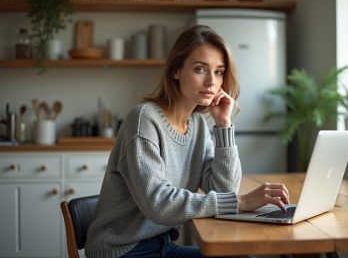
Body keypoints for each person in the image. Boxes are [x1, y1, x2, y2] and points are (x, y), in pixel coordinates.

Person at [84, 25, 290, 258]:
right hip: (122, 250)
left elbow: (224, 189)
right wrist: (240, 202)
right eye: (200, 69)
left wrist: (224, 125)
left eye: (219, 71)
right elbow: (159, 204)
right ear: (176, 71)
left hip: (163, 246)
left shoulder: (199, 126)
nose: (211, 81)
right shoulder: (143, 120)